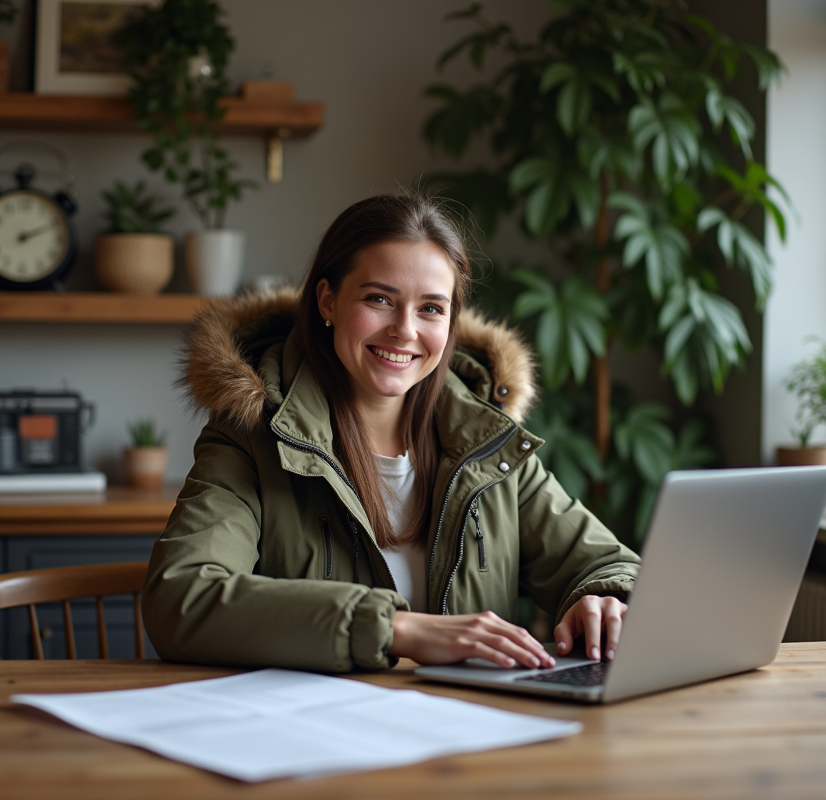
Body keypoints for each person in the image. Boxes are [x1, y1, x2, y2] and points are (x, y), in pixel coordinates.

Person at [143, 193, 640, 673]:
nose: (405, 329)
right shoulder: (251, 435)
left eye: (431, 308)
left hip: (476, 735)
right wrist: (396, 629)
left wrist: (606, 600)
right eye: (380, 299)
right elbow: (182, 597)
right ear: (328, 300)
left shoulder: (487, 444)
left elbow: (607, 566)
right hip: (319, 734)